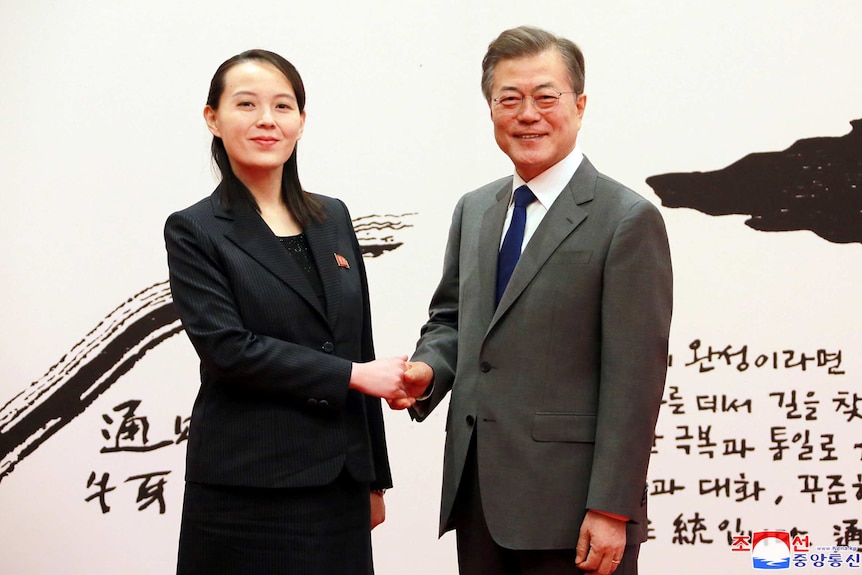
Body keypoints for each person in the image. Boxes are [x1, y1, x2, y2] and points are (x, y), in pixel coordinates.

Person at [396, 26, 673, 575]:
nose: (528, 114)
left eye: (546, 97)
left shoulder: (626, 218)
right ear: (491, 109)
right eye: (509, 99)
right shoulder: (475, 208)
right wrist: (429, 370)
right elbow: (452, 320)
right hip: (478, 496)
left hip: (573, 511)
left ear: (580, 104)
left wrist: (612, 506)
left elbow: (635, 378)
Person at [165, 49, 408, 575]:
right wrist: (351, 375)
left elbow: (355, 342)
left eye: (282, 105)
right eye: (246, 104)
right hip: (246, 491)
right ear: (213, 117)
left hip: (339, 486)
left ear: (301, 120)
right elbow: (227, 348)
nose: (266, 120)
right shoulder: (195, 229)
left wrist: (372, 478)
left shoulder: (334, 217)